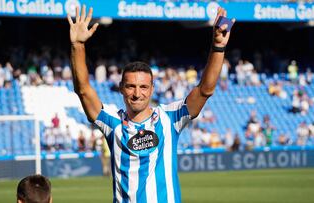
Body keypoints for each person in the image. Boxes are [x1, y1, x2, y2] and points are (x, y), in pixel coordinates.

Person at [67, 5, 234, 202]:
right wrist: (78, 45)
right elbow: (83, 90)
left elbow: (205, 90)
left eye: (144, 87)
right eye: (130, 86)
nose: (137, 93)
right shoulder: (112, 123)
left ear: (152, 89)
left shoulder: (170, 118)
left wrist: (218, 47)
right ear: (121, 88)